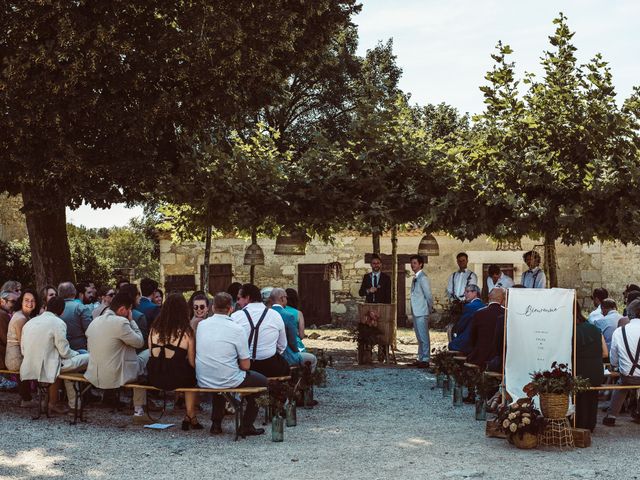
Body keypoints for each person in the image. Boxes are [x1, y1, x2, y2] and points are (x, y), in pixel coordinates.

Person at [196, 292, 268, 436]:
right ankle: (247, 424)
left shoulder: (202, 325)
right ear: (231, 309)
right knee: (262, 382)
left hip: (204, 378)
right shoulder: (237, 329)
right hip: (226, 378)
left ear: (212, 307)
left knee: (220, 376)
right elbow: (246, 366)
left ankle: (216, 423)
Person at [85, 292, 151, 423]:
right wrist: (132, 321)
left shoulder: (95, 321)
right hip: (116, 375)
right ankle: (139, 411)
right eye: (129, 310)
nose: (129, 313)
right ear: (122, 309)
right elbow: (139, 342)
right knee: (150, 352)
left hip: (95, 373)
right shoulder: (121, 322)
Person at [20, 296, 90, 414]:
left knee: (69, 367)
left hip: (29, 365)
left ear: (46, 307)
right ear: (62, 311)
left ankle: (59, 404)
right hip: (50, 366)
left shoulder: (30, 322)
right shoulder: (58, 323)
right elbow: (65, 352)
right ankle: (74, 406)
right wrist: (76, 353)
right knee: (88, 357)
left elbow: (23, 350)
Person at [147, 293, 201, 431]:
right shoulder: (186, 332)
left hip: (155, 377)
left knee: (188, 375)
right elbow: (192, 361)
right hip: (177, 378)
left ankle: (191, 417)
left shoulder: (154, 329)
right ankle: (190, 415)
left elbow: (150, 354)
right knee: (192, 377)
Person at [231, 283, 289, 377]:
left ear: (247, 298)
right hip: (270, 367)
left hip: (244, 367)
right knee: (285, 366)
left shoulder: (235, 317)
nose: (237, 302)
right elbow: (282, 346)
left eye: (239, 298)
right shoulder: (275, 315)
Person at [603, 300, 640, 426]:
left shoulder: (619, 331)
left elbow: (613, 358)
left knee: (622, 384)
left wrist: (616, 366)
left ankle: (611, 415)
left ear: (629, 314)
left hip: (627, 376)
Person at [5, 288, 39, 406]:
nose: (30, 303)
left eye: (33, 301)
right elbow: (23, 343)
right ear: (21, 301)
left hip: (16, 355)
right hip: (15, 358)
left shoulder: (24, 316)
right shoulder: (21, 319)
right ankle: (27, 399)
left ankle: (28, 397)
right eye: (26, 300)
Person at [575, 310, 607, 431]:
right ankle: (590, 424)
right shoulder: (596, 329)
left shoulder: (572, 330)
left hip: (579, 370)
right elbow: (605, 353)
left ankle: (580, 424)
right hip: (596, 372)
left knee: (579, 395)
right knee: (592, 396)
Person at [270, 288, 317, 370]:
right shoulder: (289, 316)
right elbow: (292, 342)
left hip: (267, 354)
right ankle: (307, 380)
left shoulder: (265, 313)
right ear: (282, 298)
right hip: (283, 354)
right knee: (312, 358)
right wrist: (296, 351)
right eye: (285, 297)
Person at [467, 288, 506, 368]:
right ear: (503, 299)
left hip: (480, 356)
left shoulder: (479, 313)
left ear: (489, 297)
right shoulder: (506, 313)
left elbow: (472, 337)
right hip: (499, 359)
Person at [409, 254, 433, 368]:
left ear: (420, 264)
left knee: (424, 335)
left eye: (414, 263)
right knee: (419, 336)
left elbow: (428, 295)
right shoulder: (415, 277)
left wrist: (429, 308)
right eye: (411, 263)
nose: (412, 265)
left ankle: (426, 358)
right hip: (416, 310)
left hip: (422, 310)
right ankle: (420, 357)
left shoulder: (423, 277)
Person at [448, 285, 486, 354]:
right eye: (465, 292)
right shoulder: (485, 306)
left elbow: (461, 326)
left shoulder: (469, 306)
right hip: (482, 341)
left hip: (470, 341)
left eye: (467, 292)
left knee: (452, 344)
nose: (465, 294)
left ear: (475, 293)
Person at [58, 282, 92, 352]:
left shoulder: (55, 308)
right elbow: (90, 330)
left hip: (62, 349)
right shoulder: (81, 308)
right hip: (81, 348)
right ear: (74, 292)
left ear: (59, 293)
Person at [0, 290, 18, 369]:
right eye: (13, 302)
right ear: (2, 301)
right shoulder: (2, 315)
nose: (15, 305)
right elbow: (7, 339)